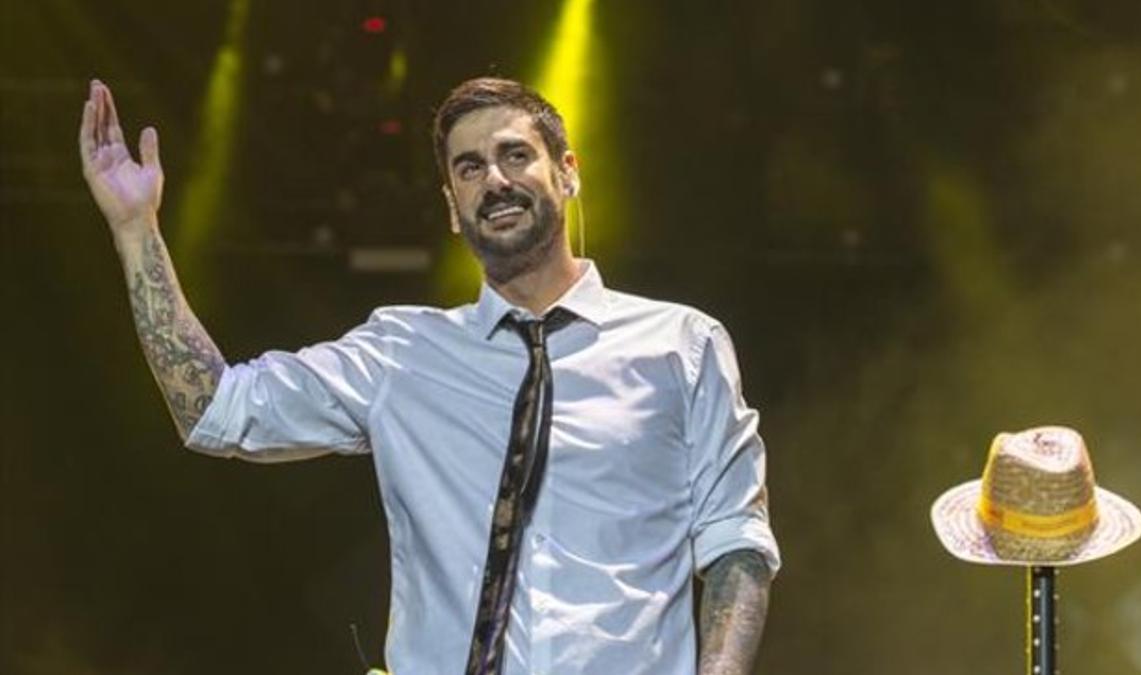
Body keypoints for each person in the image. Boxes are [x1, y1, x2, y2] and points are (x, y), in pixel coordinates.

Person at [79, 76, 780, 675]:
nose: (495, 179)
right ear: (452, 206)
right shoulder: (400, 352)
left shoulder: (681, 344)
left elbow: (735, 542)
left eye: (515, 155)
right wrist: (137, 231)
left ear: (568, 171)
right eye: (469, 167)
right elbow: (215, 408)